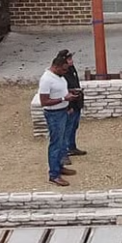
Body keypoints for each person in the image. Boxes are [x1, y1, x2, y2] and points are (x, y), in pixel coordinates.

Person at [38, 54, 80, 186]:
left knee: (62, 141)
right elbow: (44, 101)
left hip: (63, 111)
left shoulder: (59, 76)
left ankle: (60, 166)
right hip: (54, 115)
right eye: (63, 70)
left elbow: (60, 91)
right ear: (55, 67)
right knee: (56, 144)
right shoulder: (46, 80)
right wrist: (63, 99)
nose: (65, 72)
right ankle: (54, 174)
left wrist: (69, 96)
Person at [58, 49, 87, 165]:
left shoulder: (71, 69)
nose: (71, 61)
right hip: (70, 104)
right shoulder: (62, 73)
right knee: (67, 129)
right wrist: (68, 106)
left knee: (74, 127)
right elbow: (63, 91)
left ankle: (71, 147)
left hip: (76, 102)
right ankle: (63, 154)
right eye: (69, 59)